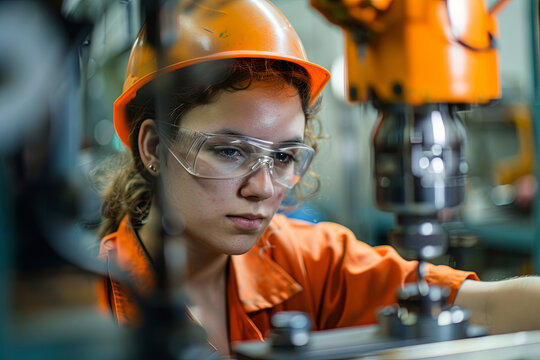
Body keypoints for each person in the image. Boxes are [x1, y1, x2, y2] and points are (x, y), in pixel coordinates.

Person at [96, 0, 540, 357]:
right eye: (230, 151)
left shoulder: (308, 263)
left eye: (286, 156)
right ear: (153, 147)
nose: (264, 188)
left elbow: (488, 307)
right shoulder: (85, 305)